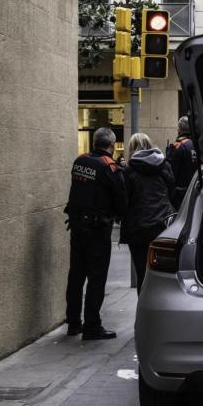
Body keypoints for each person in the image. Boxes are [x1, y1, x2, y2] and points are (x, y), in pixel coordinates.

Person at [64, 128, 128, 340]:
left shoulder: (79, 161)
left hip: (77, 226)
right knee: (96, 278)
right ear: (111, 145)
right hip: (97, 230)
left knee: (76, 275)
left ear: (94, 142)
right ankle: (92, 325)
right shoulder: (109, 167)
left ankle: (73, 322)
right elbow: (121, 200)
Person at [121, 133, 176, 289]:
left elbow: (125, 200)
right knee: (164, 274)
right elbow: (171, 193)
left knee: (142, 274)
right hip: (163, 225)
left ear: (132, 148)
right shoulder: (164, 165)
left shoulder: (129, 170)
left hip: (138, 228)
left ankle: (145, 310)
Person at [165, 115, 196, 209]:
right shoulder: (198, 145)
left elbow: (170, 174)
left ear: (178, 129)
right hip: (196, 193)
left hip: (180, 196)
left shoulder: (177, 146)